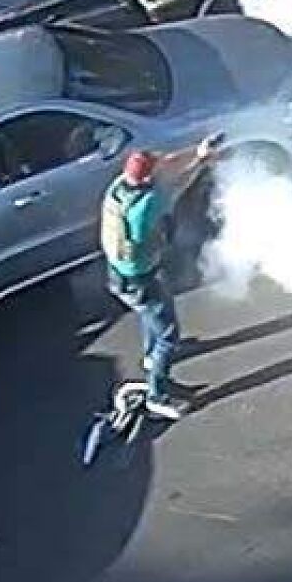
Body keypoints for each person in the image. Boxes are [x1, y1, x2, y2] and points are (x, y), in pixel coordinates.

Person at [101, 150, 187, 420]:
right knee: (169, 336)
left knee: (146, 312)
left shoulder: (117, 189)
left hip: (119, 274)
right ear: (149, 177)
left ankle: (151, 356)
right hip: (142, 278)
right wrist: (201, 162)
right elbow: (179, 186)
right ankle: (156, 396)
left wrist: (199, 152)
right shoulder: (149, 203)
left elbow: (166, 165)